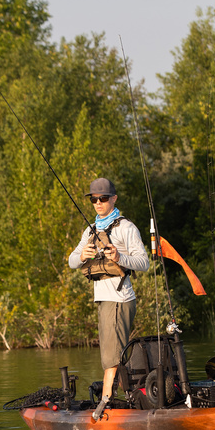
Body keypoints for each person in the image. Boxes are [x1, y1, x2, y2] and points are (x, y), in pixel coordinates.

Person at [68, 178, 149, 416]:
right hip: (103, 299)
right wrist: (83, 254)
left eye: (103, 198)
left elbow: (143, 262)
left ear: (114, 199)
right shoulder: (90, 230)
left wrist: (119, 257)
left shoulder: (126, 228)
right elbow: (72, 261)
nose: (98, 203)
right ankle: (131, 401)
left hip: (120, 298)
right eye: (94, 199)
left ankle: (105, 404)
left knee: (111, 356)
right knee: (115, 353)